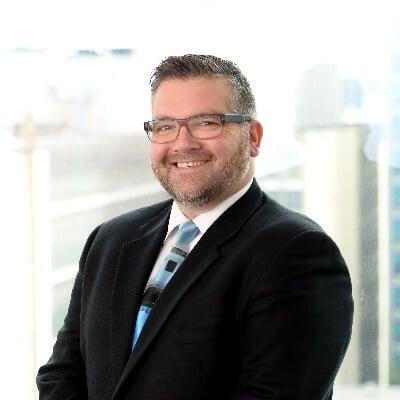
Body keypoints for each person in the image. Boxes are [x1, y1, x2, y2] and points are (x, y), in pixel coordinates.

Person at [37, 54, 353, 400]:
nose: (182, 142)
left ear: (253, 137)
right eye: (165, 126)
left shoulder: (297, 252)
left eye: (206, 123)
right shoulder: (110, 240)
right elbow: (62, 374)